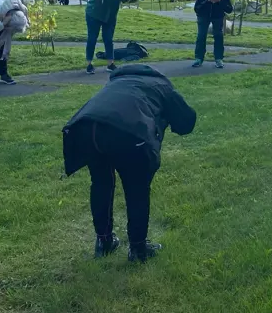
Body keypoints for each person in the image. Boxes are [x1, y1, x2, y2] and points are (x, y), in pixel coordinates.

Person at [61, 65, 197, 262]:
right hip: (127, 132)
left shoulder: (117, 81)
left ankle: (104, 242)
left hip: (86, 127)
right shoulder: (162, 85)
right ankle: (138, 249)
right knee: (137, 189)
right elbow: (186, 122)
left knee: (101, 183)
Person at [83, 0, 139, 74]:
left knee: (108, 39)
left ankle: (110, 64)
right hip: (94, 14)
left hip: (110, 16)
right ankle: (89, 64)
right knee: (92, 38)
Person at [193, 0, 233, 69]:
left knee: (218, 35)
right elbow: (196, 9)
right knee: (201, 35)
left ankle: (219, 59)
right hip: (203, 16)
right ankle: (199, 58)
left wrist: (220, 2)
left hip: (217, 16)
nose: (214, 1)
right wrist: (207, 1)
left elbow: (229, 9)